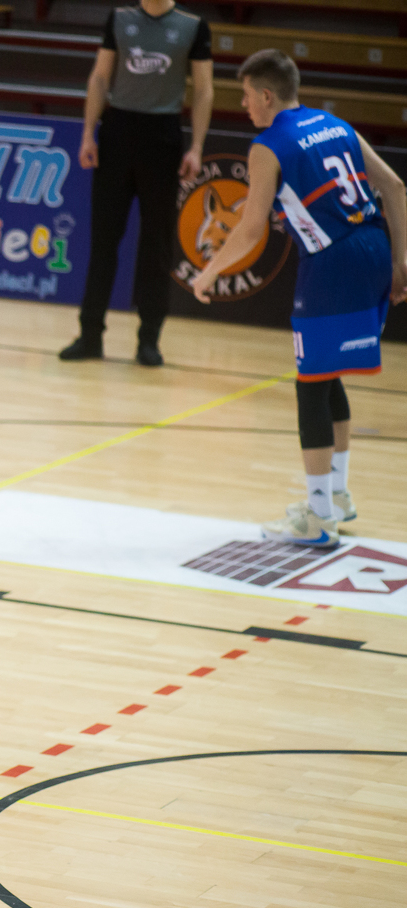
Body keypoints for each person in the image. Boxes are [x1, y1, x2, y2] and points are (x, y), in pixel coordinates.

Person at [191, 50, 406, 546]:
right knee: (326, 374)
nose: (244, 105)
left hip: (333, 262)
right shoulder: (335, 124)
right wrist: (400, 262)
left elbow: (250, 231)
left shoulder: (268, 145)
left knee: (309, 386)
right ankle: (337, 495)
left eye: (246, 95)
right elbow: (394, 186)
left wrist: (208, 274)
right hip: (373, 249)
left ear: (267, 96)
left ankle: (317, 518)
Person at [62, 0, 213, 367]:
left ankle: (149, 339)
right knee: (103, 240)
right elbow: (100, 77)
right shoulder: (119, 18)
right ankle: (90, 335)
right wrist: (88, 133)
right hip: (117, 133)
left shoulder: (193, 26)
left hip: (162, 136)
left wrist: (196, 147)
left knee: (156, 245)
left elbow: (204, 89)